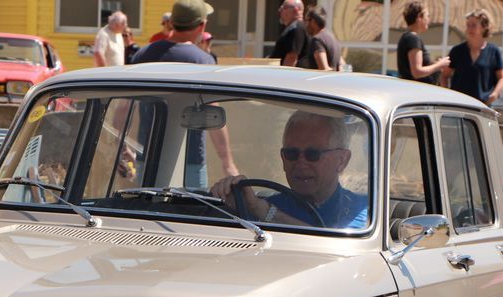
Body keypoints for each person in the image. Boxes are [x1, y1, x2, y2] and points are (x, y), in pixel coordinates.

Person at [131, 0, 238, 185]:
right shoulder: (203, 62)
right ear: (201, 25)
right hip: (191, 161)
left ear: (171, 22)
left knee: (146, 212)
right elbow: (213, 116)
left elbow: (126, 107)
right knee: (190, 212)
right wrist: (227, 163)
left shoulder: (142, 56)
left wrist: (123, 146)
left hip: (148, 158)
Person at [210, 111, 368, 229]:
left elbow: (336, 247)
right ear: (283, 159)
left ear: (342, 160)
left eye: (312, 154)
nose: (300, 162)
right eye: (291, 154)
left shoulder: (363, 211)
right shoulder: (258, 208)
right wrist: (229, 197)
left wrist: (265, 212)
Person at [442, 9, 503, 105]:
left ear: (484, 27)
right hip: (458, 105)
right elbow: (444, 75)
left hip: (482, 106)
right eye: (468, 25)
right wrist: (447, 96)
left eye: (473, 25)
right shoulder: (457, 51)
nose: (469, 28)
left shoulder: (494, 51)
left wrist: (494, 94)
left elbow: (502, 77)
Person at [396, 2, 449, 84]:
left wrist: (434, 64)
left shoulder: (407, 37)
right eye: (427, 16)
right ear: (419, 18)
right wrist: (439, 65)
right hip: (417, 93)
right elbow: (417, 72)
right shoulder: (413, 39)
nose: (429, 20)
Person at [269, 0, 312, 68]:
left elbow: (292, 57)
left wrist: (283, 76)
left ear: (295, 10)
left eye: (283, 8)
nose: (280, 10)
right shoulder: (292, 27)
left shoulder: (297, 28)